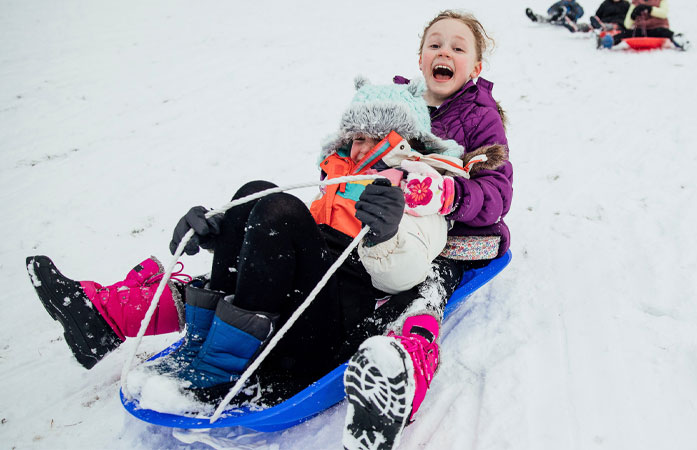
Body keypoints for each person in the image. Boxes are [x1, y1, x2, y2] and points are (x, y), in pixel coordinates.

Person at [26, 77, 490, 404]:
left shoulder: (416, 196)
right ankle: (208, 347)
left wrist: (385, 235)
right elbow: (276, 253)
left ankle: (231, 367)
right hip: (289, 313)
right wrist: (217, 231)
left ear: (406, 142)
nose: (364, 147)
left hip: (327, 330)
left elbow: (406, 276)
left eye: (379, 136)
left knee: (279, 210)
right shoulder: (333, 183)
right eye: (356, 137)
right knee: (253, 195)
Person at [341, 10, 512, 450]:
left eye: (458, 48)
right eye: (435, 44)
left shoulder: (480, 117)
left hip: (456, 237)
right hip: (388, 225)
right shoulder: (394, 104)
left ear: (474, 69)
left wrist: (447, 195)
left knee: (426, 285)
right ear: (420, 59)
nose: (444, 52)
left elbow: (497, 192)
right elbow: (352, 155)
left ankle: (406, 367)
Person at [596, 0, 688, 50]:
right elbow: (627, 25)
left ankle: (679, 40)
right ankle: (607, 41)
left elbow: (664, 13)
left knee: (663, 32)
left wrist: (649, 9)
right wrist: (633, 15)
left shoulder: (660, 1)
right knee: (626, 33)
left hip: (657, 27)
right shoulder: (635, 2)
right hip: (641, 29)